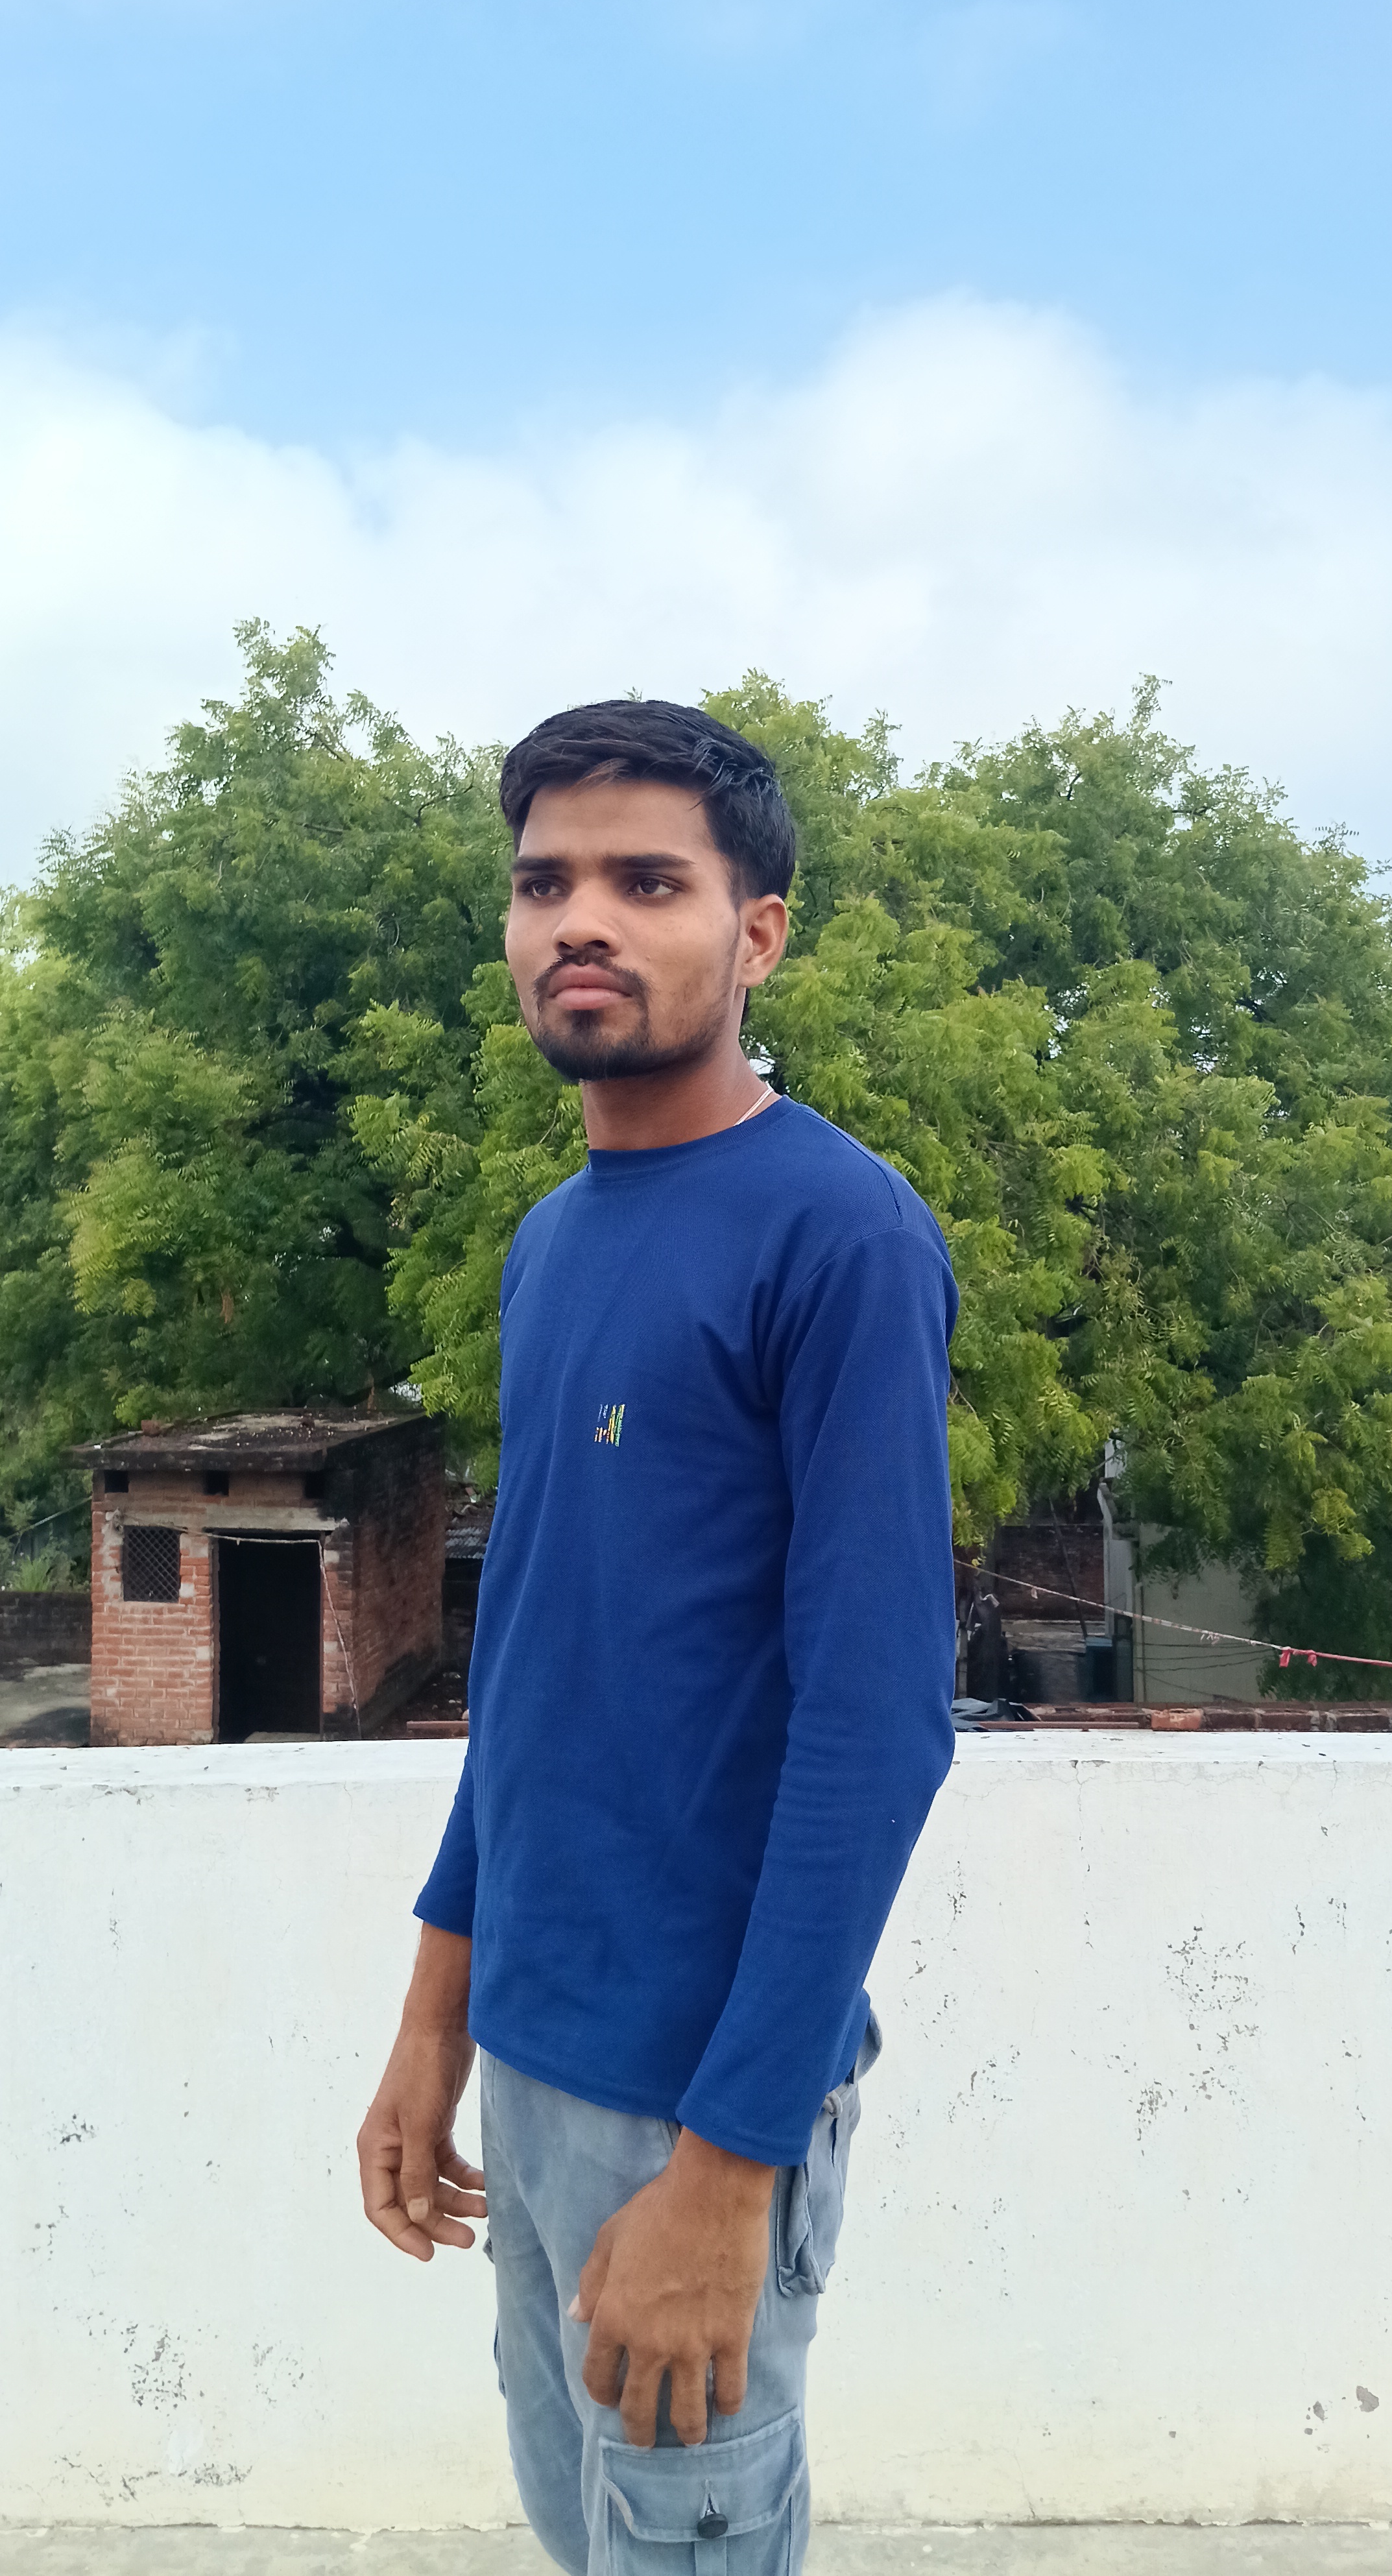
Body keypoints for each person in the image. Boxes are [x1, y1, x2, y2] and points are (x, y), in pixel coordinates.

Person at [357, 700, 958, 2575]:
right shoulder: (552, 1244)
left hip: (697, 2100)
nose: (582, 922)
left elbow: (877, 1732)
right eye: (544, 883)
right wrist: (431, 2029)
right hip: (533, 2054)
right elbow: (532, 1671)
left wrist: (729, 2167)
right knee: (587, 2539)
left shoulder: (840, 1236)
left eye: (646, 881)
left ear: (756, 932)